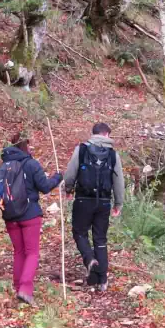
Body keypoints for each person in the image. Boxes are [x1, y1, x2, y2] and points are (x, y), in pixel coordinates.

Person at [0, 133, 62, 305]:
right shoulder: (31, 164)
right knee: (32, 253)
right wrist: (58, 177)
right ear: (25, 146)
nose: (31, 148)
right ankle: (25, 289)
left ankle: (18, 287)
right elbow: (44, 187)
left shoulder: (3, 166)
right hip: (30, 215)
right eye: (29, 145)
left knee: (19, 252)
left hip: (10, 215)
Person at [63, 122, 124, 291]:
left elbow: (70, 173)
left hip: (83, 199)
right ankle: (101, 280)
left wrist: (68, 189)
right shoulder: (113, 155)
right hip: (104, 202)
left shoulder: (81, 149)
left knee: (79, 232)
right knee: (100, 239)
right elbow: (118, 181)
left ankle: (90, 260)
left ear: (94, 134)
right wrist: (118, 202)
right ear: (106, 134)